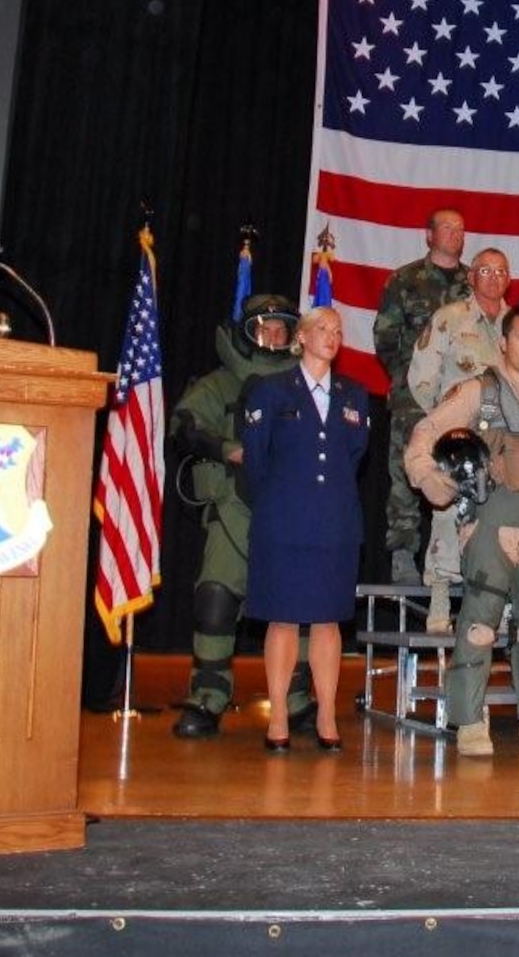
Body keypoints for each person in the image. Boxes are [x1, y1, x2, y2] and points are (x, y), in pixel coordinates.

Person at [406, 306, 519, 756]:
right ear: (503, 343)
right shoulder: (476, 394)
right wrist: (431, 480)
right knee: (478, 627)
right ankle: (468, 723)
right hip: (491, 529)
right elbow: (425, 434)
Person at [169, 293, 305, 739]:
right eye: (263, 327)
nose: (272, 335)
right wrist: (226, 449)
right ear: (246, 335)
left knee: (296, 606)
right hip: (232, 508)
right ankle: (208, 695)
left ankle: (299, 698)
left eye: (281, 328)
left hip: (289, 513)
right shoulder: (223, 384)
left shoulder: (303, 384)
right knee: (214, 601)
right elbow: (184, 424)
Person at [238, 307, 370, 752]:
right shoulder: (271, 391)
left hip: (335, 522)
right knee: (284, 618)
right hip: (284, 520)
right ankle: (278, 716)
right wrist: (285, 499)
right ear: (301, 337)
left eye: (337, 331)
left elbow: (352, 457)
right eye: (322, 329)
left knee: (328, 620)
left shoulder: (354, 395)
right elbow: (256, 462)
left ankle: (328, 715)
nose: (331, 337)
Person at [404, 246, 512, 631]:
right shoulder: (450, 319)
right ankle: (439, 597)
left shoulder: (517, 325)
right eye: (485, 270)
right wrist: (445, 419)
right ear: (471, 276)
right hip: (457, 431)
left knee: (497, 516)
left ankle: (497, 602)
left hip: (502, 437)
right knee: (448, 508)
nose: (494, 278)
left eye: (501, 272)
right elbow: (421, 376)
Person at [374, 209, 470, 585]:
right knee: (405, 474)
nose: (454, 234)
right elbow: (385, 338)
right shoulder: (405, 280)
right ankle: (403, 556)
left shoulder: (471, 282)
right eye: (446, 227)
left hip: (460, 396)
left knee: (460, 473)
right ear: (428, 235)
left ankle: (457, 558)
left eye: (460, 229)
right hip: (413, 395)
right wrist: (412, 378)